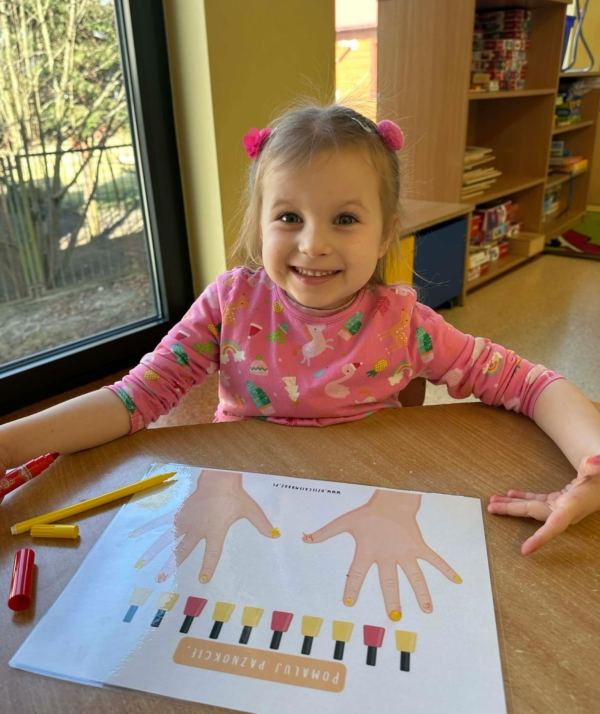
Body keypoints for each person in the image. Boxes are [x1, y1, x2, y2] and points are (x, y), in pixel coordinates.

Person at [1, 103, 599, 614]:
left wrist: (594, 469)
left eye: (345, 219)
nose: (313, 243)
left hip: (365, 511)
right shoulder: (230, 304)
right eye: (289, 217)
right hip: (242, 505)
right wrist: (8, 446)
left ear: (385, 233)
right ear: (259, 224)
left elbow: (530, 383)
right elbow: (133, 400)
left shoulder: (405, 324)